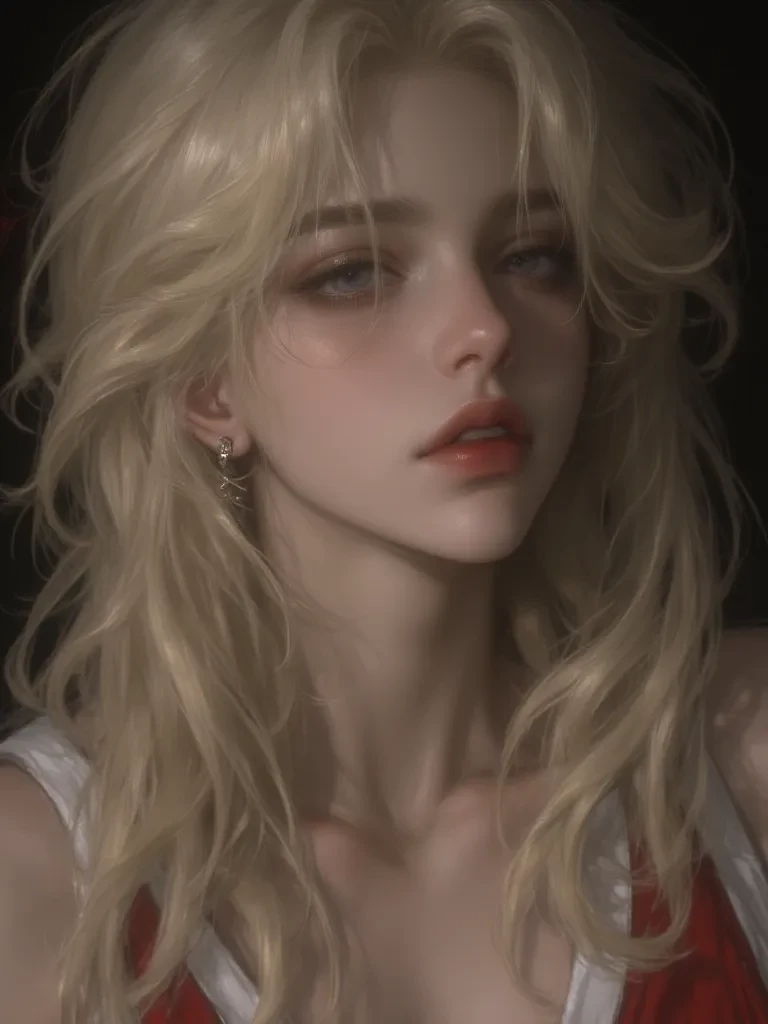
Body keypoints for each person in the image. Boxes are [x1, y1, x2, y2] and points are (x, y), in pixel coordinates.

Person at [0, 0, 766, 1021]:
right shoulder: (36, 877)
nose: (486, 327)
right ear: (203, 382)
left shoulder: (735, 758)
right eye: (351, 270)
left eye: (533, 254)